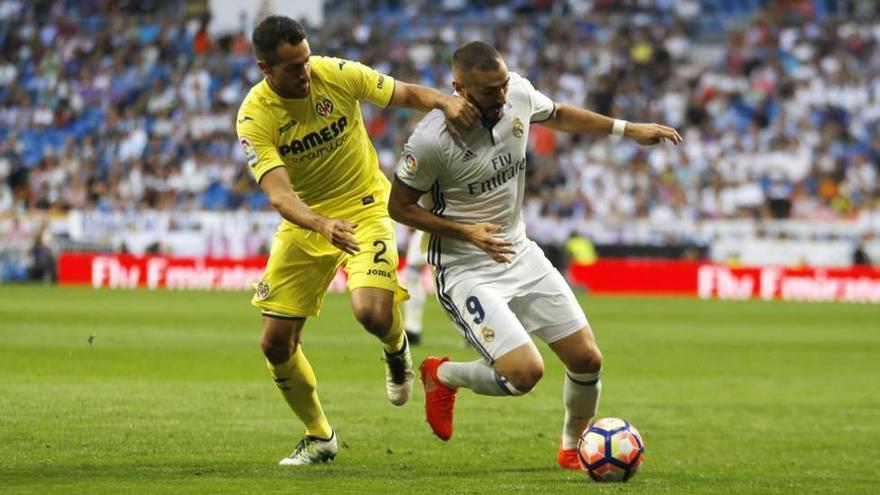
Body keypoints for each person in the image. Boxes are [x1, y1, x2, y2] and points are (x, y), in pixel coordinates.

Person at [388, 41, 681, 469]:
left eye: (504, 85)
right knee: (524, 374)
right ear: (459, 89)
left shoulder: (517, 95)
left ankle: (571, 448)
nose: (502, 96)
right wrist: (465, 231)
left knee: (587, 359)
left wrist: (626, 128)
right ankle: (442, 375)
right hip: (464, 267)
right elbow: (399, 207)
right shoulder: (431, 140)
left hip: (519, 251)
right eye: (490, 91)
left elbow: (558, 114)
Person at [235, 16, 479, 466]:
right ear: (264, 68)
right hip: (306, 221)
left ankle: (396, 348)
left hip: (366, 207)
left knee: (370, 312)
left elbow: (402, 93)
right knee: (274, 343)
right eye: (292, 67)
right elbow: (280, 195)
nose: (305, 73)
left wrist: (445, 101)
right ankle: (319, 436)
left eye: (305, 60)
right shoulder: (255, 116)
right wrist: (320, 224)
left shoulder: (335, 73)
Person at [401, 227, 428, 345]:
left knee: (412, 280)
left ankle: (412, 329)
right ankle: (412, 328)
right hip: (424, 228)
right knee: (413, 284)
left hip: (426, 228)